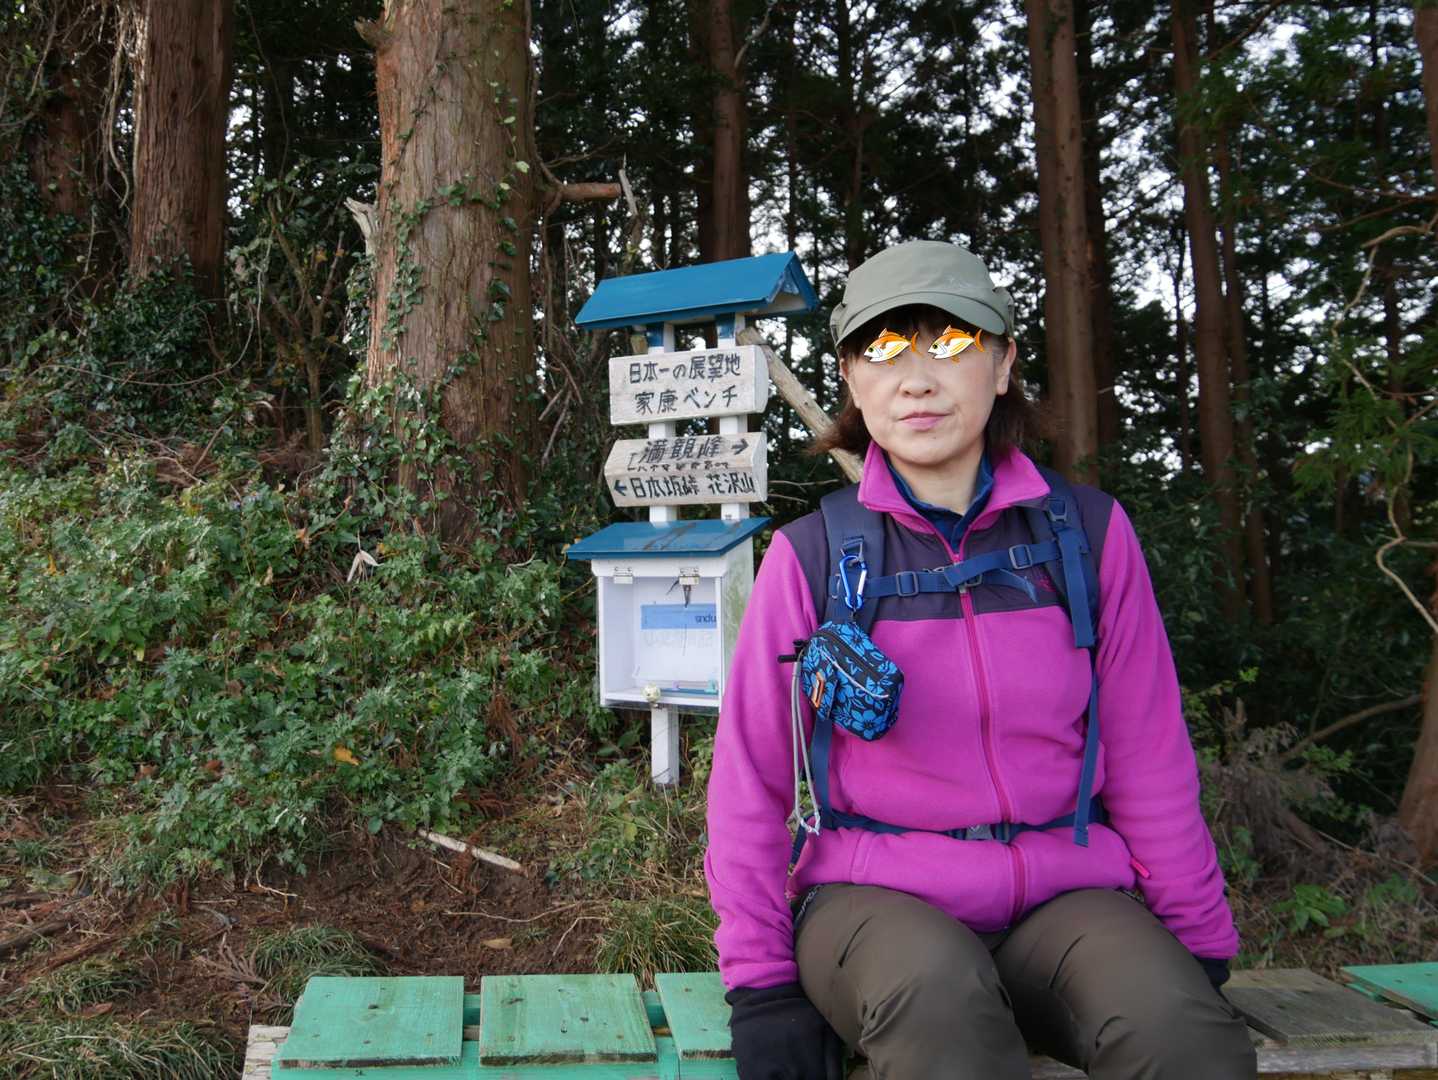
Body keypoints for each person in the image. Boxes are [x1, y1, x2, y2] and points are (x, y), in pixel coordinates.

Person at [703, 240, 1257, 1080]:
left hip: (1067, 901)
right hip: (872, 903)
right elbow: (750, 780)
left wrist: (1198, 941)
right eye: (883, 350)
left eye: (953, 343)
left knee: (1182, 1035)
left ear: (1002, 366)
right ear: (850, 379)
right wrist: (762, 986)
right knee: (939, 1009)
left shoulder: (1088, 536)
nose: (916, 379)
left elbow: (1150, 754)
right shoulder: (813, 556)